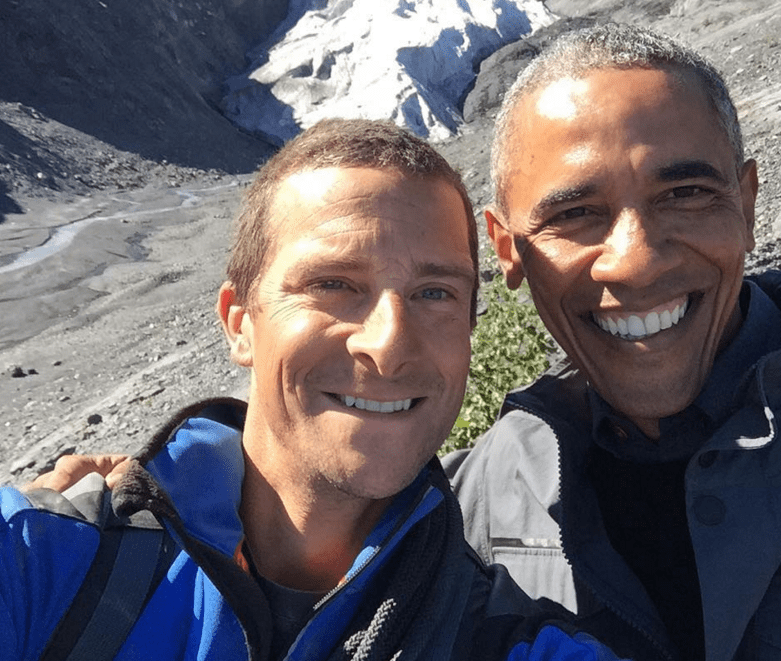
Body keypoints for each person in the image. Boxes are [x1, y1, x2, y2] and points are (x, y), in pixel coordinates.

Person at [0, 119, 624, 661]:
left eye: (435, 293)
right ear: (239, 324)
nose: (387, 343)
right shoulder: (45, 559)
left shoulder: (504, 640)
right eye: (333, 284)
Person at [444, 22, 781, 661]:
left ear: (747, 203)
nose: (636, 262)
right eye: (575, 214)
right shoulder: (467, 509)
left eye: (685, 194)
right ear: (508, 250)